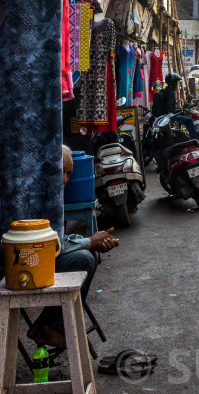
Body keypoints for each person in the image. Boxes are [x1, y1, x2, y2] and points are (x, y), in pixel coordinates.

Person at [20, 146, 120, 349]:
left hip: (38, 256)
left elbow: (58, 239)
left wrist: (92, 240)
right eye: (61, 172)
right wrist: (91, 241)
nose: (65, 179)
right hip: (22, 263)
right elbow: (51, 246)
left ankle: (47, 324)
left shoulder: (51, 196)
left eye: (68, 174)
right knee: (83, 258)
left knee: (86, 254)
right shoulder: (33, 195)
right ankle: (53, 326)